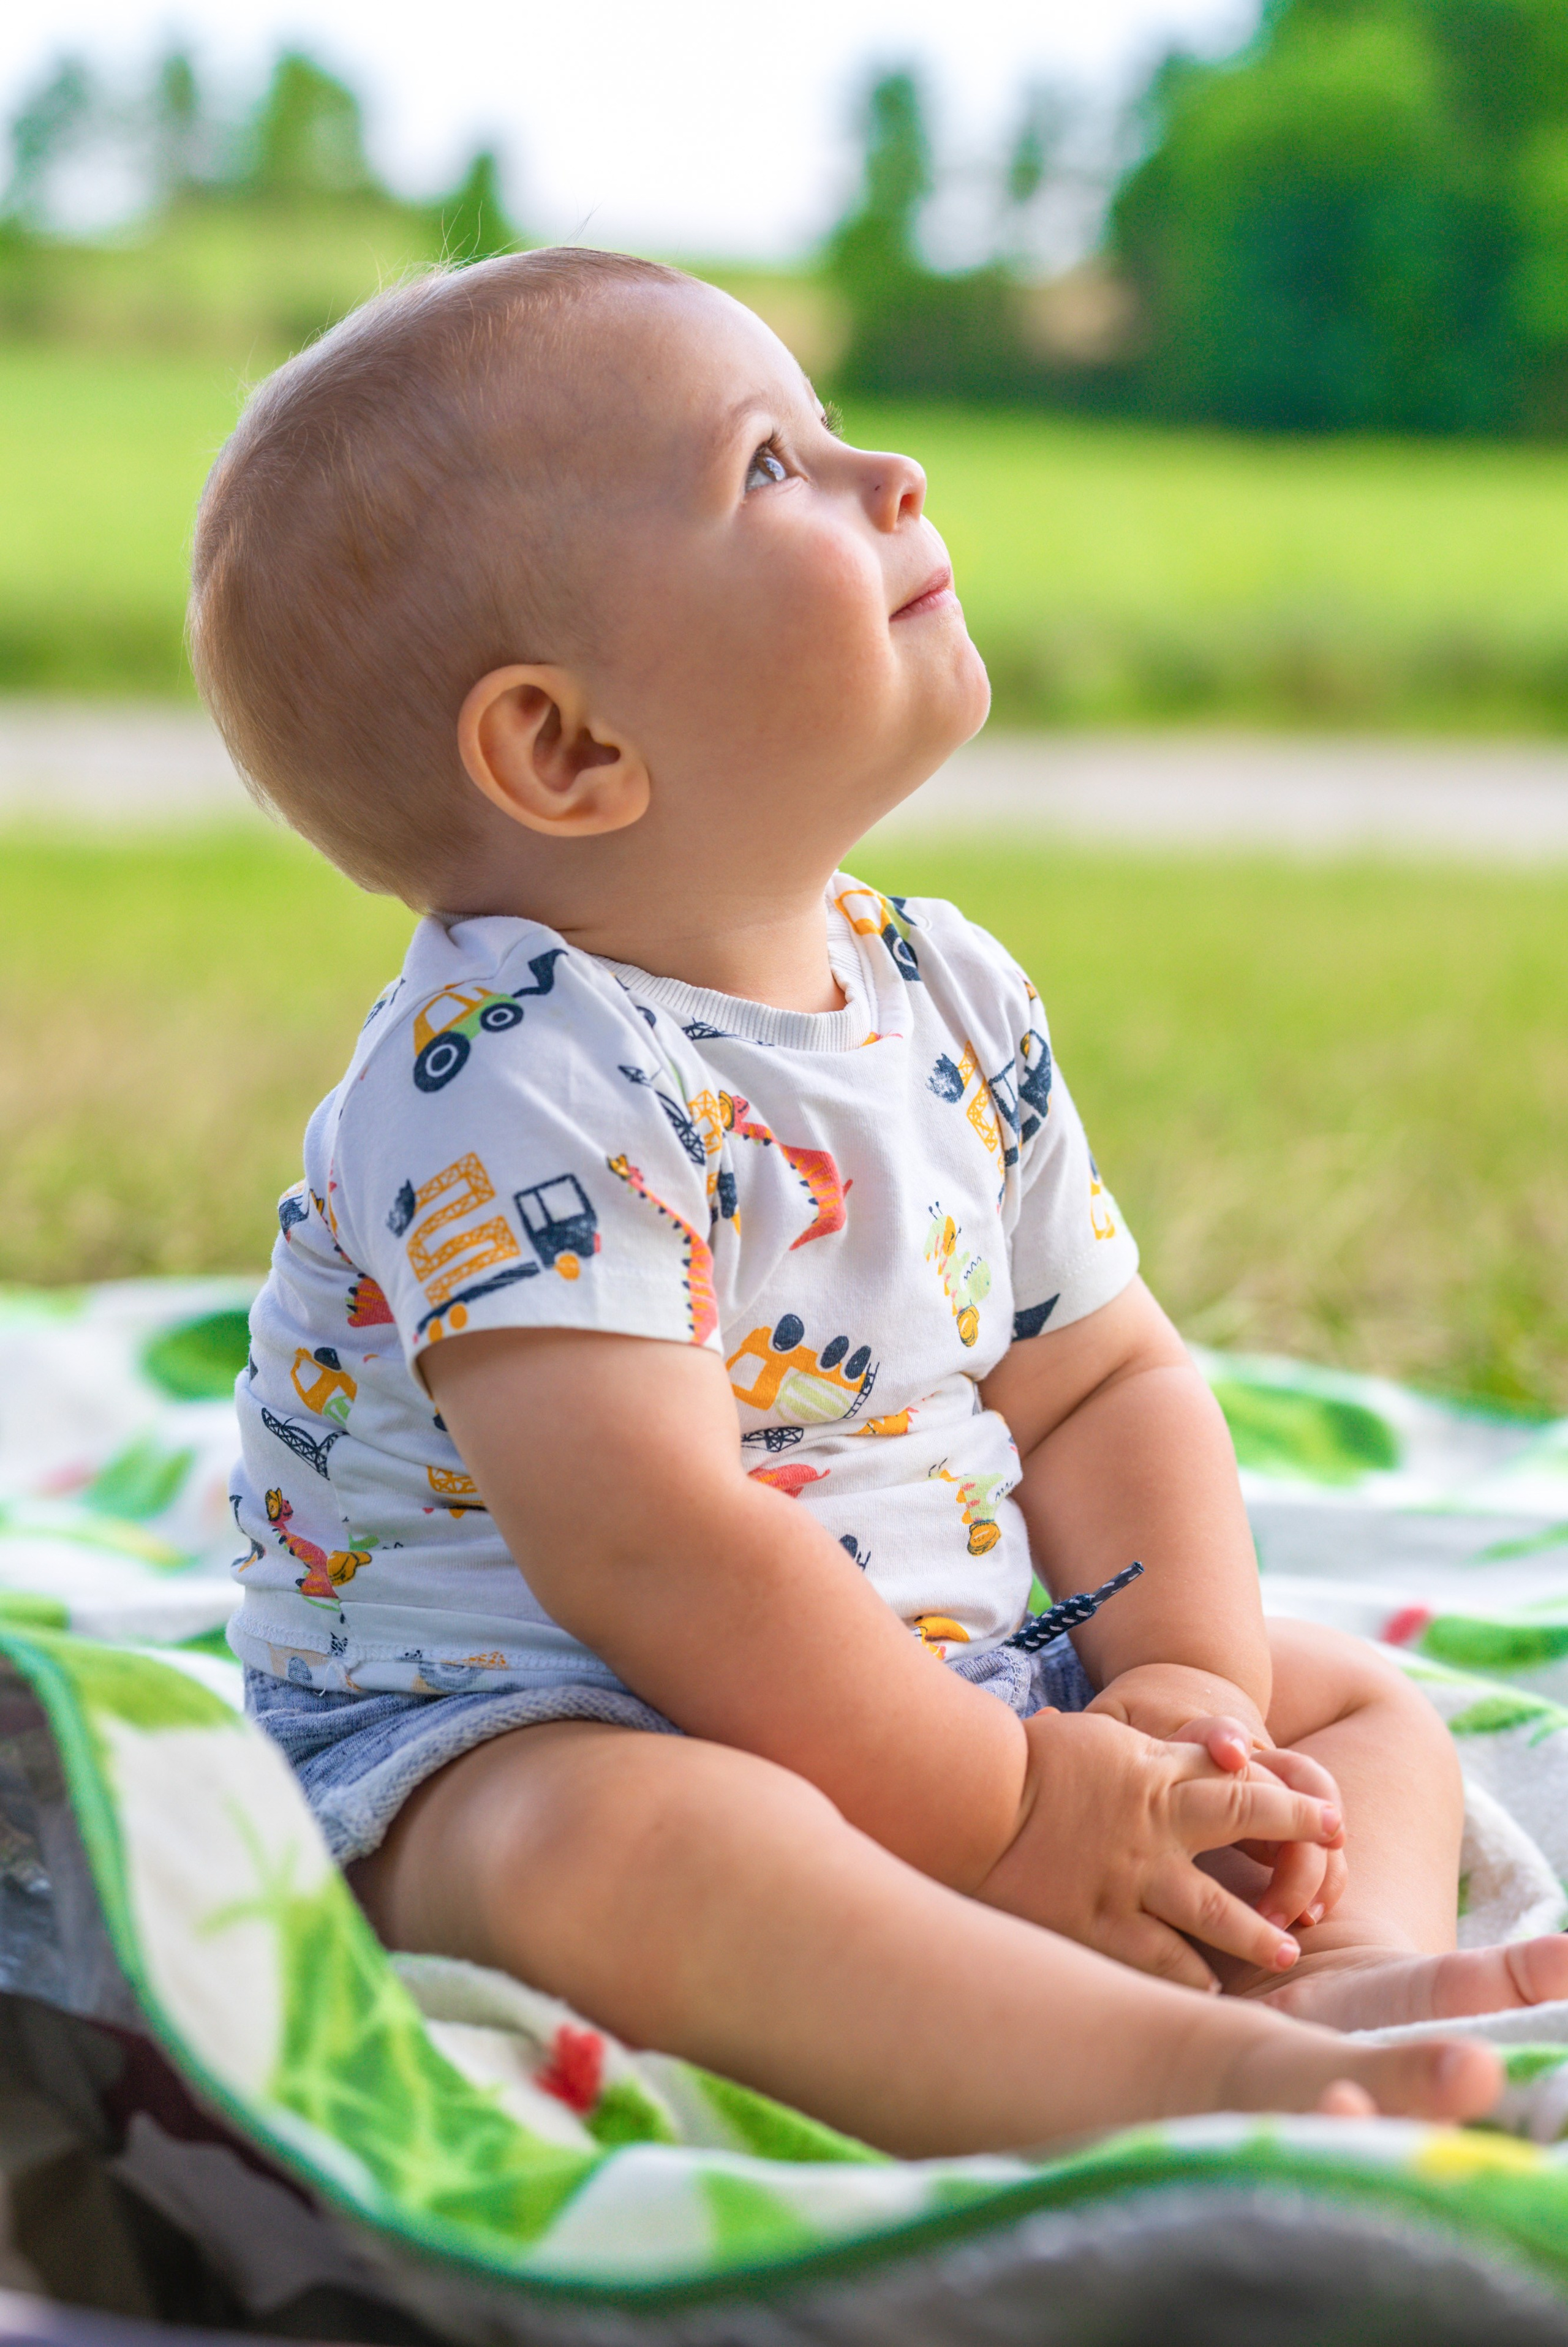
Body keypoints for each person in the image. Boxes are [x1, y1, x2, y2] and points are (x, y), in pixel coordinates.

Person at [189, 249, 1566, 2158]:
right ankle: (1175, 2076)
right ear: (569, 748)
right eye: (772, 466)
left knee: (1350, 1711)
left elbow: (1101, 1383)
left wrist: (1181, 1695)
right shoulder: (514, 1071)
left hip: (953, 1674)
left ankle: (1309, 1967)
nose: (891, 474)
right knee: (620, 1850)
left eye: (831, 429)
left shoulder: (947, 994)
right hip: (536, 1716)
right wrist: (1011, 1811)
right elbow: (656, 1550)